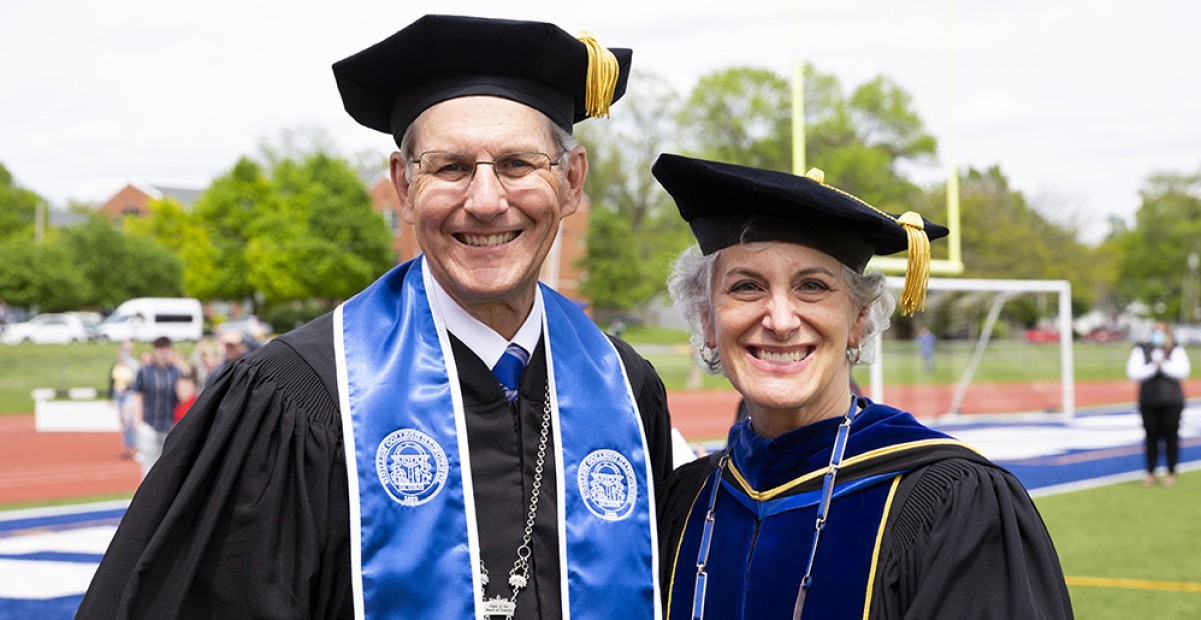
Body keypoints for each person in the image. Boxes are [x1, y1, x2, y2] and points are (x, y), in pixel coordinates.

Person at [79, 15, 671, 619]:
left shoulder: (624, 389)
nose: (488, 201)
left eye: (519, 164)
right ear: (403, 188)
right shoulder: (299, 396)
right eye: (451, 167)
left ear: (570, 183)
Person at [653, 154, 1073, 619]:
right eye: (746, 287)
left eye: (812, 286)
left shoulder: (950, 502)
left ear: (858, 321)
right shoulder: (687, 501)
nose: (780, 320)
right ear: (708, 321)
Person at [1126, 320, 1190, 487]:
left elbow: (1182, 371)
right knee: (1151, 437)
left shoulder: (1175, 348)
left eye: (1162, 331)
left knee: (1171, 436)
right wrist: (1154, 366)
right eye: (1156, 330)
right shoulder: (1141, 348)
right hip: (1148, 400)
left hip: (1171, 400)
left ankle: (1170, 472)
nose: (1158, 334)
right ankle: (1150, 472)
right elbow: (1134, 372)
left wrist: (1164, 365)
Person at [129, 336, 187, 478]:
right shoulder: (145, 372)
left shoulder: (176, 372)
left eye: (165, 349)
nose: (162, 352)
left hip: (170, 424)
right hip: (149, 423)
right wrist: (138, 422)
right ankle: (148, 499)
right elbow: (138, 396)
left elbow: (185, 394)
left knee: (169, 464)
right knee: (149, 464)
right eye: (159, 349)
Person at [109, 339, 139, 459]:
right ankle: (128, 446)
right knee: (124, 422)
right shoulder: (116, 365)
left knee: (129, 421)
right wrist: (111, 397)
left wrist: (125, 348)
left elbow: (136, 381)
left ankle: (134, 446)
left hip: (129, 394)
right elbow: (111, 381)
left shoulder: (133, 365)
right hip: (119, 396)